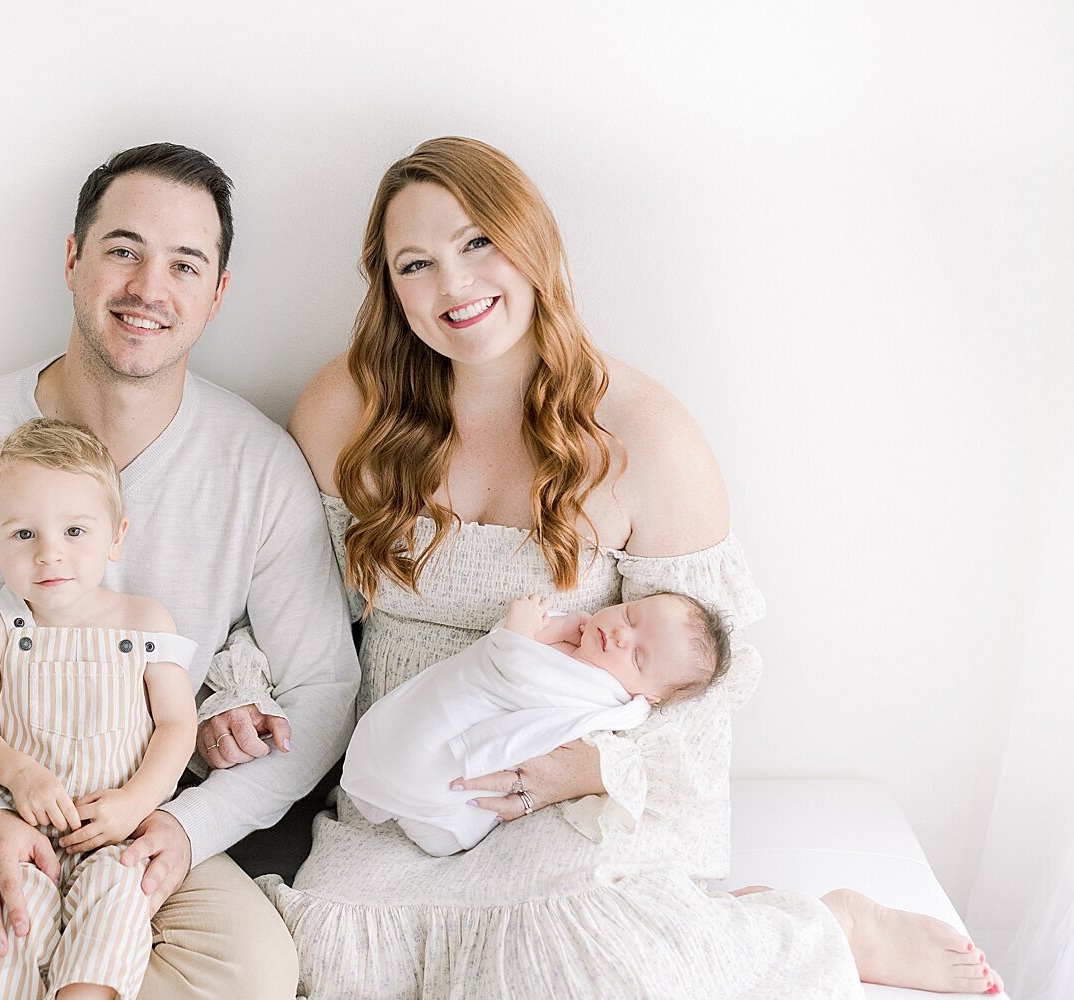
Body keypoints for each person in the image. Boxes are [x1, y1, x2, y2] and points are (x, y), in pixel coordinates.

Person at [266, 136, 1002, 997]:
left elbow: (704, 678)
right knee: (336, 969)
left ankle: (821, 925)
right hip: (408, 789)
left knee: (576, 971)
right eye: (416, 264)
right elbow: (279, 600)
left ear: (532, 243)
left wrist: (594, 771)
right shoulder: (345, 409)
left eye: (477, 244)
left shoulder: (645, 434)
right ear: (389, 287)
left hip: (568, 783)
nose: (455, 287)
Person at [0, 142, 357, 1000]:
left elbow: (325, 692)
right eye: (123, 250)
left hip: (133, 811)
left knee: (253, 975)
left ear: (217, 294)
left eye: (184, 263)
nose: (147, 287)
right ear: (73, 259)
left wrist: (182, 824)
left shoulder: (258, 466)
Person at [0, 418, 200, 1000]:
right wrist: (20, 773)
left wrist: (135, 802)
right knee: (13, 924)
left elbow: (178, 725)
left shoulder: (145, 621)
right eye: (23, 535)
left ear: (116, 535)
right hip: (24, 836)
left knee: (118, 902)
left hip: (113, 835)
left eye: (75, 531)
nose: (49, 554)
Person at [341, 592, 729, 857]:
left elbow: (513, 667)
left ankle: (409, 802)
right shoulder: (583, 653)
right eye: (629, 615)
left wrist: (521, 629)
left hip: (440, 780)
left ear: (648, 696)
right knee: (416, 767)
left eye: (639, 658)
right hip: (431, 769)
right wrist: (557, 632)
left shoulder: (597, 692)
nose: (620, 635)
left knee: (422, 784)